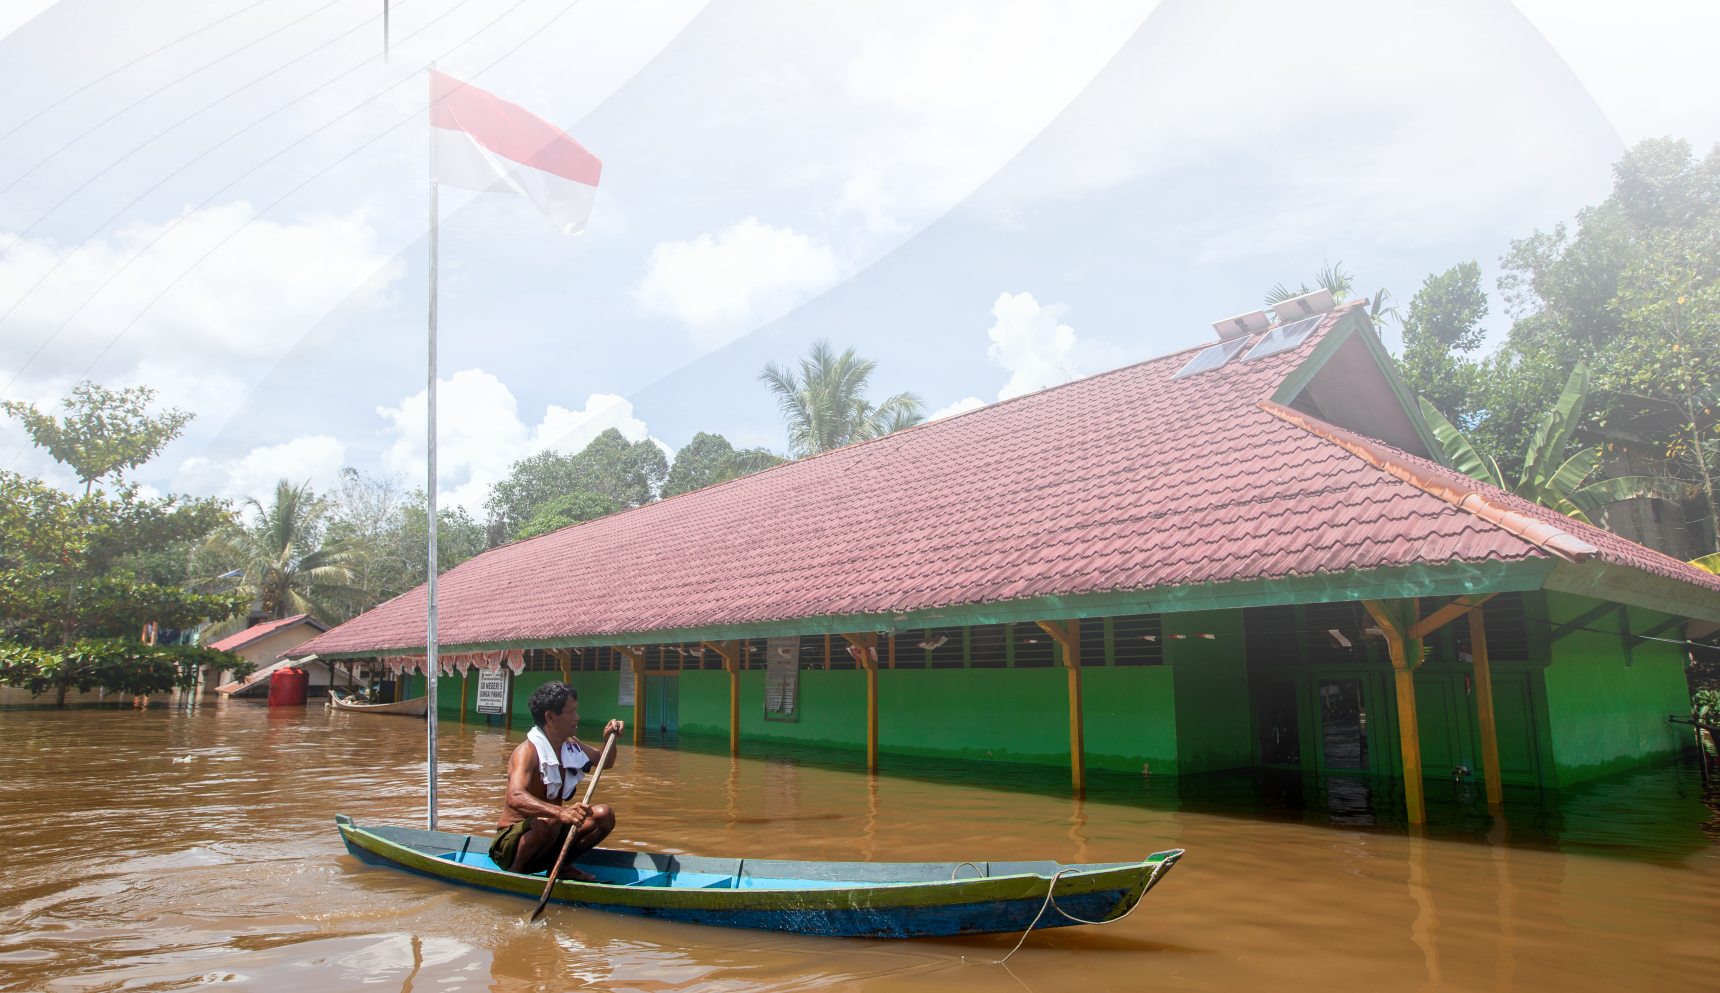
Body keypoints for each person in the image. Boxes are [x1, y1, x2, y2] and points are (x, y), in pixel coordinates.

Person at [489, 681, 623, 880]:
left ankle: (562, 866)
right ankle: (514, 874)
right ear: (551, 718)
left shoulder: (569, 743)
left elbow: (605, 762)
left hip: (550, 832)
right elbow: (515, 797)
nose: (577, 717)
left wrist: (608, 740)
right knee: (550, 822)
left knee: (604, 815)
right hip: (511, 846)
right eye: (571, 712)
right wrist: (561, 813)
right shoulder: (527, 752)